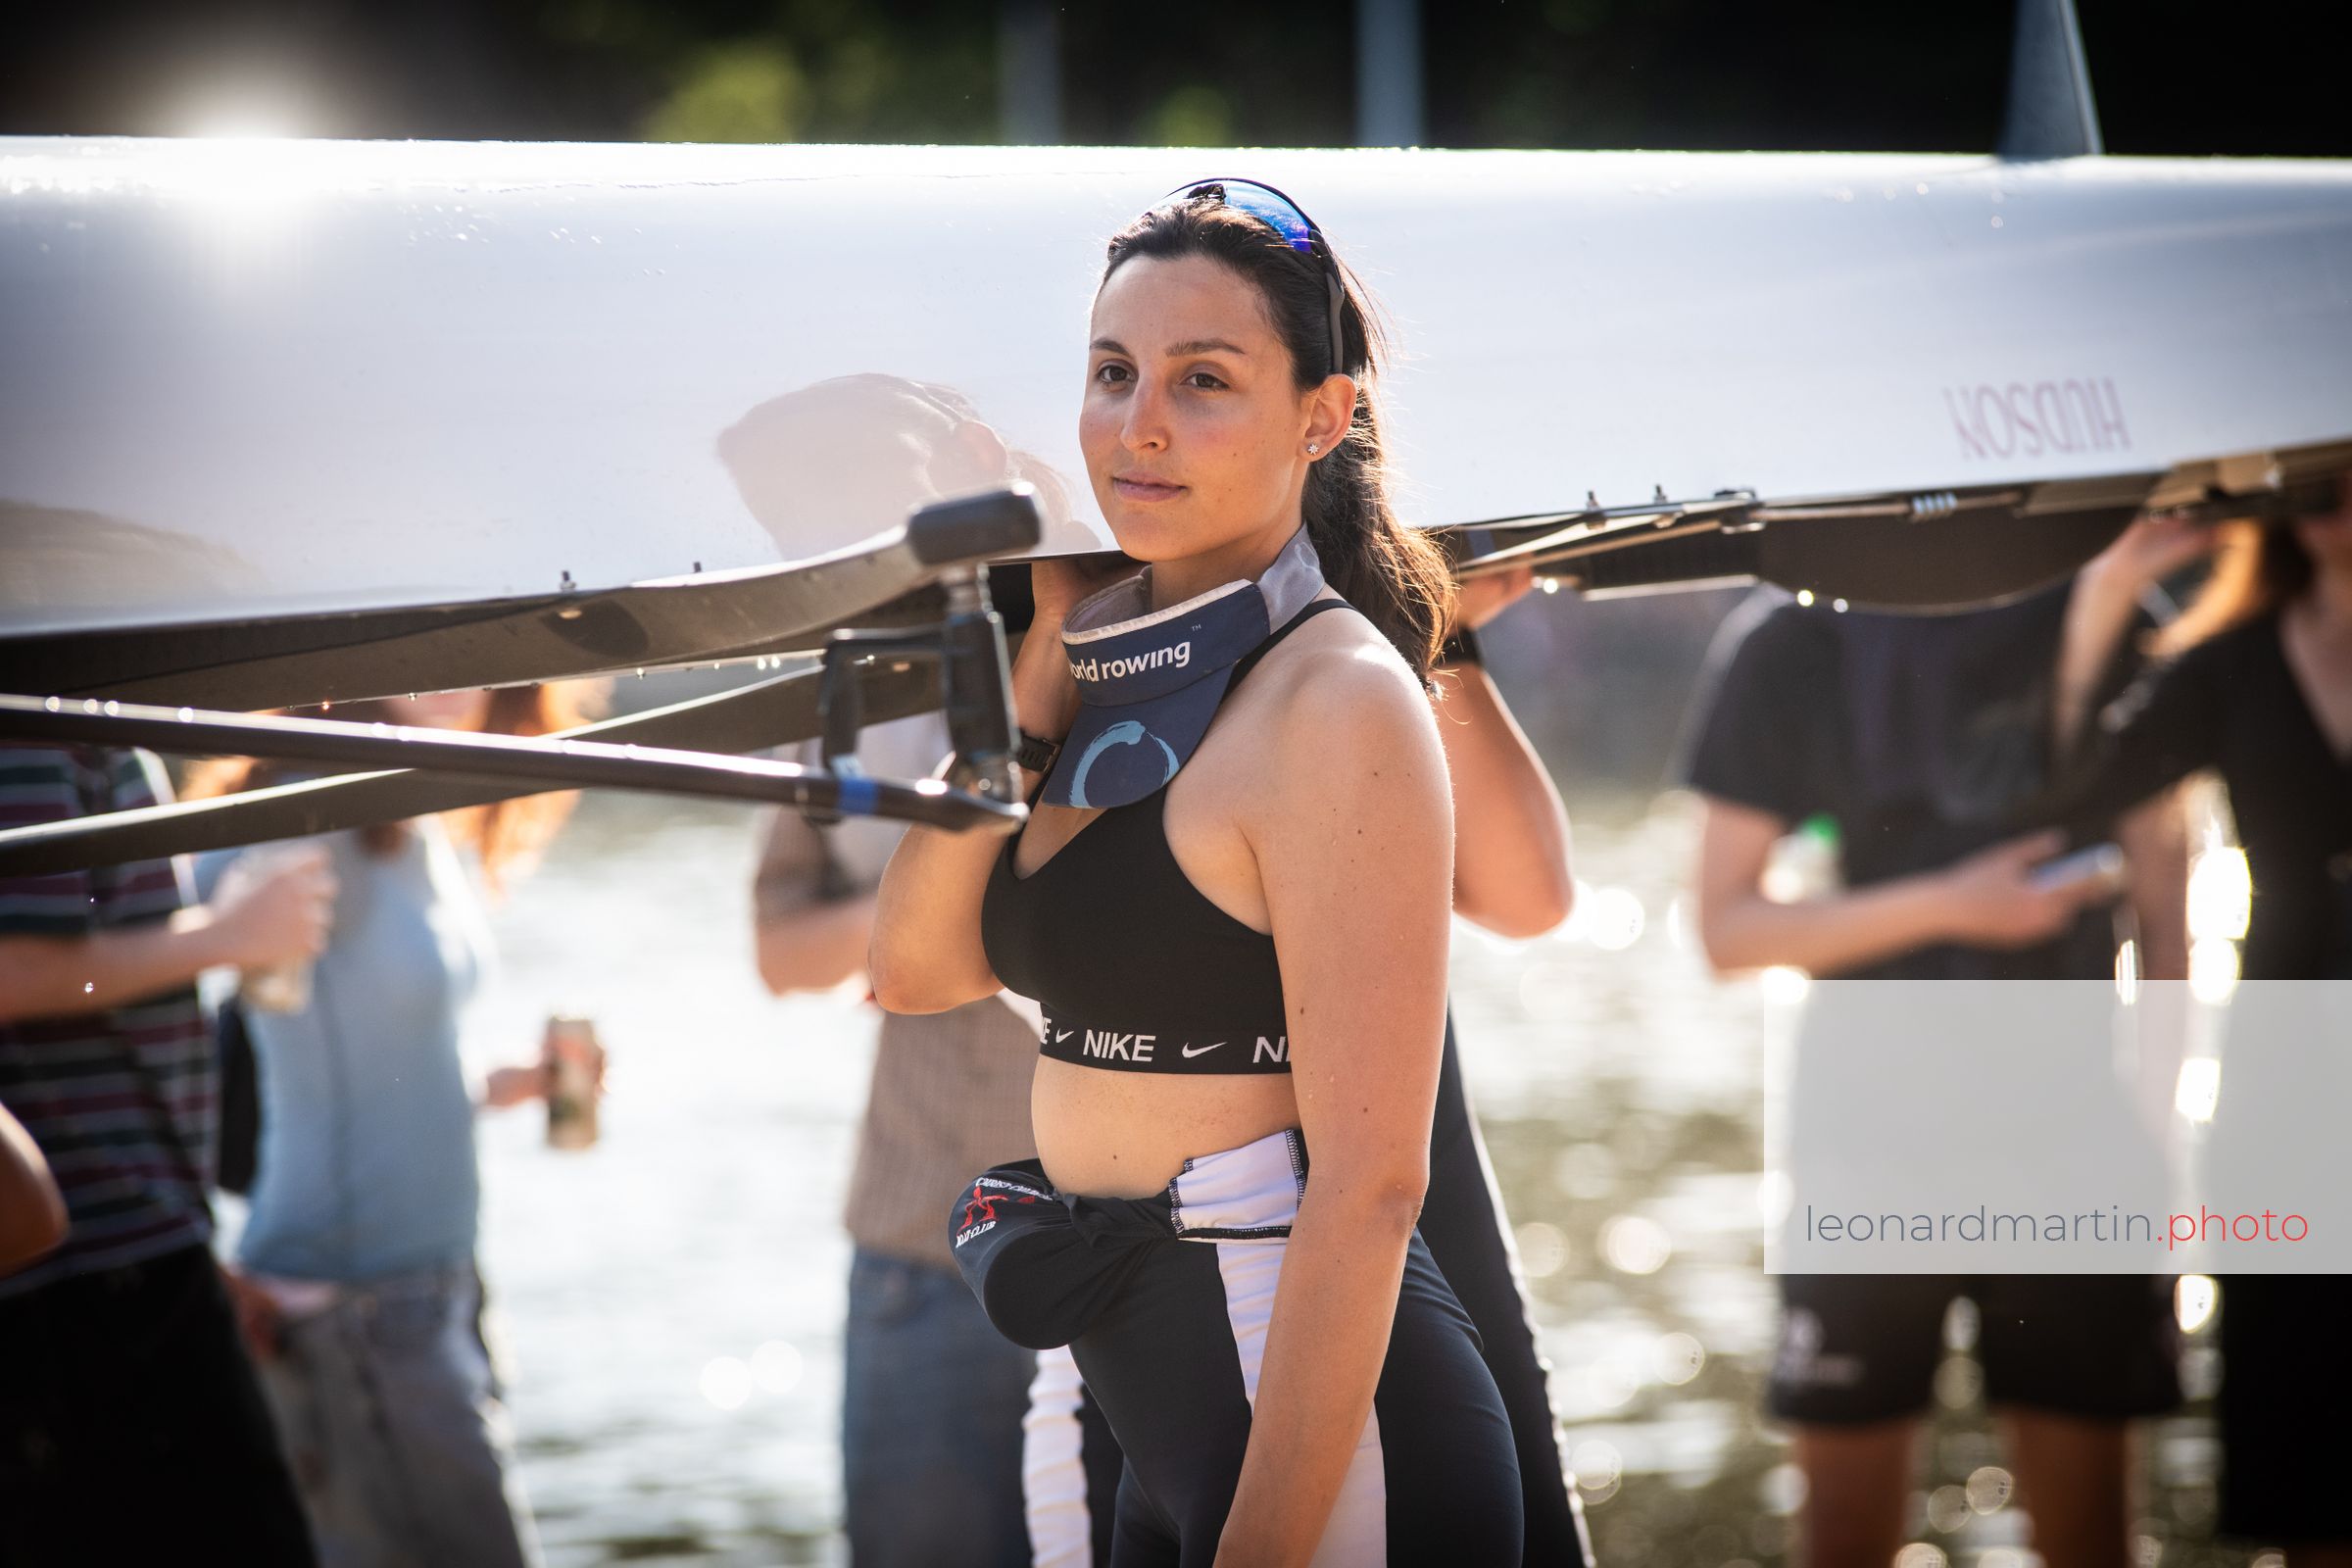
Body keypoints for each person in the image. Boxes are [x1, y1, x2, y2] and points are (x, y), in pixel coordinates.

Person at [870, 178, 1521, 1563]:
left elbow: (1373, 1186)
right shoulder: (1107, 672)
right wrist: (1042, 654)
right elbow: (912, 969)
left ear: (1322, 418)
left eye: (1203, 380)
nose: (1140, 424)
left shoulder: (1336, 699)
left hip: (1317, 1410)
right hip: (1123, 1367)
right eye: (1113, 373)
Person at [759, 562, 1592, 1567]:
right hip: (989, 1238)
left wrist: (1429, 623)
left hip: (1267, 1260)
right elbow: (886, 960)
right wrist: (992, 827)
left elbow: (1525, 906)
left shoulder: (1324, 675)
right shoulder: (982, 650)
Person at [1678, 539, 2197, 1568]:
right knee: (1842, 1541)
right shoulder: (1792, 639)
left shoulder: (2110, 608)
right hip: (1864, 1143)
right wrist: (1954, 905)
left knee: (2093, 1541)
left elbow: (2167, 908)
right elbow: (1727, 931)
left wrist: (2160, 1130)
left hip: (2074, 1142)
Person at [183, 684, 597, 1568]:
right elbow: (137, 946)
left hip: (442, 1288)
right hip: (347, 1305)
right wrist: (194, 1259)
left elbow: (392, 1066)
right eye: (421, 645)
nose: (450, 677)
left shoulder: (413, 811)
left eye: (470, 653)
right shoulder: (304, 805)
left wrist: (518, 1083)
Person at [2041, 474, 2352, 1565]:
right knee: (2307, 1475)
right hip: (2286, 1090)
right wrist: (2109, 588)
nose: (2329, 494)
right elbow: (2073, 793)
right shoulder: (2231, 658)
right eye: (2312, 474)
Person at [0, 742, 329, 1565]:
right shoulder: (31, 723)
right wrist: (225, 934)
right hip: (84, 1278)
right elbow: (10, 972)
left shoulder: (78, 717)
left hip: (136, 1249)